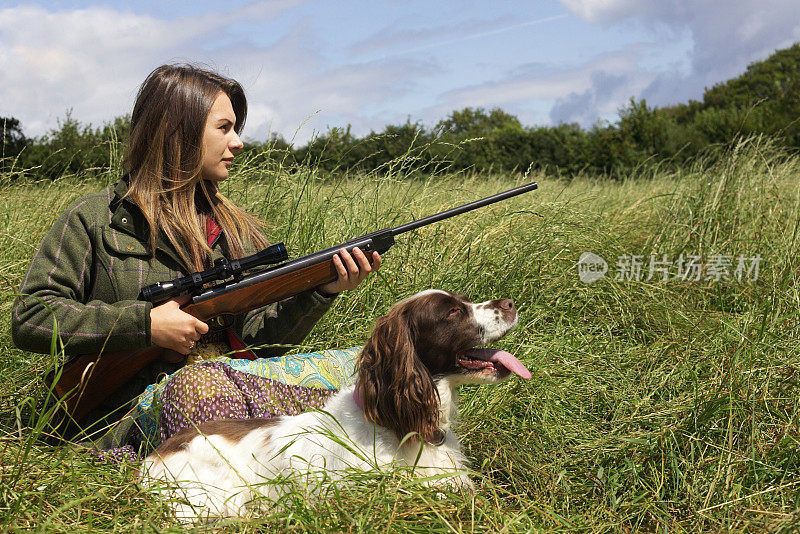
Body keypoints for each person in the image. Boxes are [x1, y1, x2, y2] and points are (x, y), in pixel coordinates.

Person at [11, 64, 380, 452]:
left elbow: (261, 344)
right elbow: (31, 317)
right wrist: (145, 325)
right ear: (179, 133)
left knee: (368, 369)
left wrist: (320, 291)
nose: (237, 142)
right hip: (135, 415)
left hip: (228, 388)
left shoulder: (235, 229)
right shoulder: (94, 221)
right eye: (224, 128)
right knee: (199, 386)